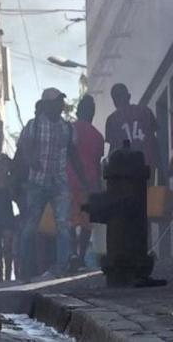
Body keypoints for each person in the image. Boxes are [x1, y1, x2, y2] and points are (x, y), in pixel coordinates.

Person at [16, 87, 85, 280]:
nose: (60, 106)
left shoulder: (67, 128)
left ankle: (61, 267)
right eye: (56, 102)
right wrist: (30, 160)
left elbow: (73, 155)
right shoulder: (34, 125)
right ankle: (25, 269)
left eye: (60, 102)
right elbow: (24, 147)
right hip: (36, 183)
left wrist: (84, 180)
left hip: (59, 183)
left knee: (63, 225)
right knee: (30, 226)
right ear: (46, 105)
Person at [105, 83, 166, 258]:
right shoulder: (146, 112)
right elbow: (155, 142)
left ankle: (131, 250)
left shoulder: (112, 119)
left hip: (125, 173)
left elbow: (113, 150)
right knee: (143, 209)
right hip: (146, 167)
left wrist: (109, 174)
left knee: (127, 211)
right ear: (129, 96)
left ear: (114, 101)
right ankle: (143, 249)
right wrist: (161, 170)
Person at [68, 95, 104, 268]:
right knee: (86, 224)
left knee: (69, 221)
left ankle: (72, 255)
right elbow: (97, 165)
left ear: (77, 111)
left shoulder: (69, 129)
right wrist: (97, 187)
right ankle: (81, 256)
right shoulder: (98, 136)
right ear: (92, 113)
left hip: (68, 181)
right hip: (88, 185)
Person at [0, 153, 16, 281]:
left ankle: (7, 277)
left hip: (7, 218)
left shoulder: (9, 181)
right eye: (4, 164)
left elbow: (14, 196)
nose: (7, 167)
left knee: (8, 249)